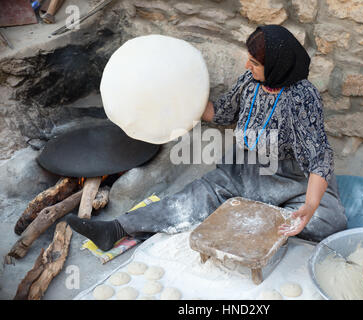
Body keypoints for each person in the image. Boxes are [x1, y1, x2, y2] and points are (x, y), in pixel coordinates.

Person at [67, 25, 347, 251]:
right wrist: (176, 93)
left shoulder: (302, 99)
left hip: (289, 178)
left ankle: (251, 218)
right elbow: (221, 114)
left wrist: (310, 207)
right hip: (243, 169)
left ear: (276, 65)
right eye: (248, 59)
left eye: (254, 62)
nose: (247, 65)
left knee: (325, 221)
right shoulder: (250, 82)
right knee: (195, 196)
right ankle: (117, 229)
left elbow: (319, 159)